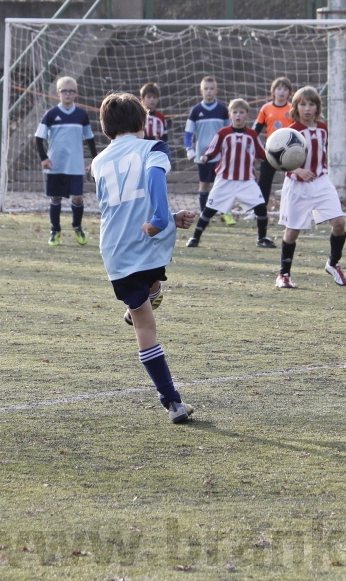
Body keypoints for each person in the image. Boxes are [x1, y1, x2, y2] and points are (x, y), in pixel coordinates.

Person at [91, 92, 198, 424]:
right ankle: (172, 400)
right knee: (147, 321)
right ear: (143, 122)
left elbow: (118, 203)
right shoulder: (155, 147)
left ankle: (172, 403)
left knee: (144, 318)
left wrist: (167, 215)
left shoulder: (97, 162)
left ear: (106, 130)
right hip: (148, 240)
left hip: (116, 250)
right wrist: (162, 219)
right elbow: (152, 180)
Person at [276, 86, 346, 289]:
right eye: (303, 104)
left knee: (340, 223)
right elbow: (277, 159)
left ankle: (333, 263)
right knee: (292, 232)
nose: (307, 108)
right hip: (297, 185)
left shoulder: (323, 127)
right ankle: (284, 274)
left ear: (318, 107)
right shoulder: (291, 132)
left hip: (321, 182)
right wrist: (298, 171)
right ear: (296, 107)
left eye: (311, 104)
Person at [187, 98, 275, 249]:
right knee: (209, 209)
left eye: (241, 112)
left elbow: (262, 154)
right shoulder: (224, 133)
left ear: (247, 115)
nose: (238, 115)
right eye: (235, 112)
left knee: (261, 207)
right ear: (230, 115)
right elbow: (212, 148)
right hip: (225, 180)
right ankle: (195, 238)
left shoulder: (252, 135)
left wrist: (274, 158)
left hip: (247, 181)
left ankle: (262, 238)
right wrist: (206, 156)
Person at [35, 76, 96, 246]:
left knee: (77, 198)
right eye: (64, 91)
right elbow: (38, 138)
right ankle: (55, 231)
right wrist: (44, 158)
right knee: (55, 198)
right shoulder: (51, 115)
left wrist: (94, 160)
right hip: (56, 165)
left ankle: (77, 227)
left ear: (76, 93)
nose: (67, 94)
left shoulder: (81, 115)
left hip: (75, 166)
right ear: (58, 93)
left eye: (71, 91)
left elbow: (90, 139)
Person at [182, 75, 232, 223]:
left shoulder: (223, 110)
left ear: (216, 90)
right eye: (206, 89)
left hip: (220, 155)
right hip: (202, 155)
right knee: (204, 183)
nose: (209, 91)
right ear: (201, 91)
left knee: (222, 184)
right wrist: (189, 149)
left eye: (211, 89)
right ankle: (204, 215)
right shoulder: (196, 111)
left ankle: (225, 213)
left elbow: (229, 131)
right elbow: (188, 133)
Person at [254, 76, 294, 206]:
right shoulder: (266, 108)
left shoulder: (292, 109)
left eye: (285, 89)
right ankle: (259, 209)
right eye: (279, 89)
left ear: (289, 92)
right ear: (273, 91)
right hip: (271, 149)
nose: (281, 92)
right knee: (264, 180)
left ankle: (292, 207)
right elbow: (256, 130)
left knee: (293, 179)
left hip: (290, 149)